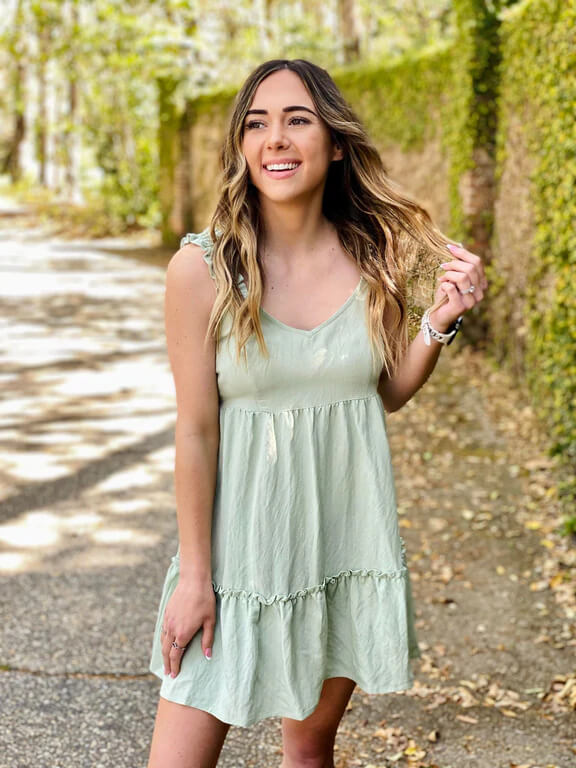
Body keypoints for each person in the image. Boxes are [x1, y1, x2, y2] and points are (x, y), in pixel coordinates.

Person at [146, 58, 488, 768]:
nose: (276, 138)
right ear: (243, 148)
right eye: (257, 123)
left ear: (334, 143)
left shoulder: (375, 258)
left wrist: (439, 321)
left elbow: (383, 390)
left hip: (340, 549)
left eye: (297, 119)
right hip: (237, 559)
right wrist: (195, 577)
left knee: (308, 752)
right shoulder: (202, 271)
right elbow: (196, 431)